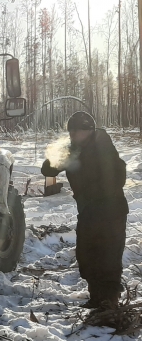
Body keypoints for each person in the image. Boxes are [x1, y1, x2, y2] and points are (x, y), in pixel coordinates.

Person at [41, 111, 128, 309]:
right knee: (87, 256)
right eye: (70, 131)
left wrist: (96, 194)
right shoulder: (72, 149)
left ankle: (109, 302)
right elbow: (48, 171)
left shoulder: (103, 147)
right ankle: (96, 298)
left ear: (89, 130)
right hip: (88, 212)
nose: (73, 134)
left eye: (77, 131)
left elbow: (117, 178)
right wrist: (58, 150)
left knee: (109, 257)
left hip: (111, 212)